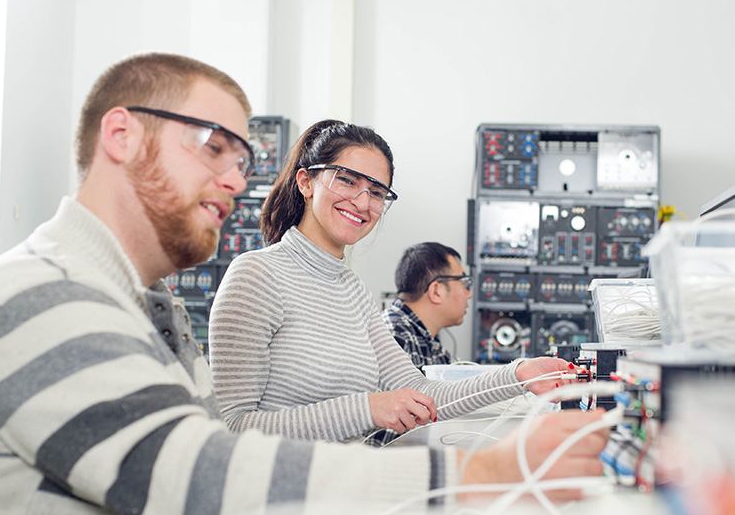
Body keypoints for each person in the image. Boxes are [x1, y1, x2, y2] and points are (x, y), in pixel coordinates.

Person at [0, 54, 607, 515]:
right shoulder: (46, 295)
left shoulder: (144, 307)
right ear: (121, 135)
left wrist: (512, 380)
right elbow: (204, 475)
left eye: (242, 160)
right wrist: (472, 473)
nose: (235, 178)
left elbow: (403, 394)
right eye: (212, 146)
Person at [209, 120, 581, 441]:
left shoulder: (352, 291)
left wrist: (518, 374)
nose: (362, 201)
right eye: (347, 180)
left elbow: (419, 390)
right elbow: (234, 427)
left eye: (376, 192)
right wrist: (367, 409)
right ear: (306, 182)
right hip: (279, 502)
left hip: (342, 485)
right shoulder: (256, 276)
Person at [382, 242, 472, 370]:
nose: (469, 294)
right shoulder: (394, 339)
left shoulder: (428, 342)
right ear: (436, 291)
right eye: (464, 282)